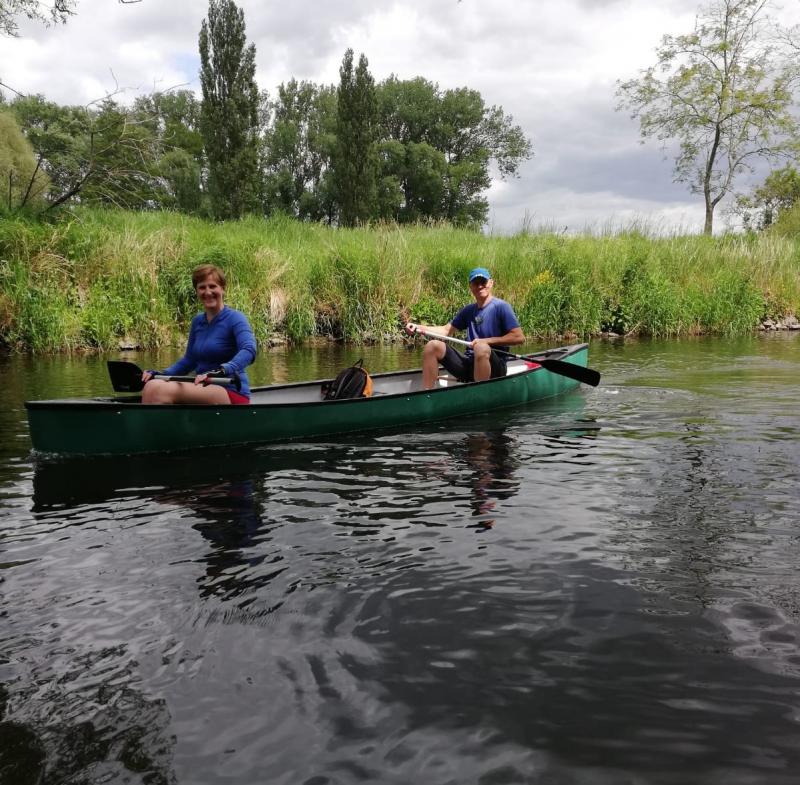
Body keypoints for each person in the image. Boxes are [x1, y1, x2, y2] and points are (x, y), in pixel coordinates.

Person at [142, 264, 257, 405]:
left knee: (158, 390)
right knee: (151, 385)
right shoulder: (197, 322)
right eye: (202, 287)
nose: (207, 292)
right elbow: (189, 361)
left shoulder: (236, 318)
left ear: (223, 288)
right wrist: (161, 374)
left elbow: (249, 349)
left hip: (231, 390)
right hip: (202, 387)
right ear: (196, 291)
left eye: (212, 286)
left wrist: (222, 370)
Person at [406, 266, 525, 390]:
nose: (480, 286)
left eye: (483, 282)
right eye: (476, 283)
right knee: (432, 346)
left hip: (495, 369)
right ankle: (428, 394)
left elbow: (519, 337)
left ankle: (480, 393)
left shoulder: (501, 307)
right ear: (470, 286)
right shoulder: (468, 310)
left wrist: (486, 341)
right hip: (469, 364)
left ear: (491, 283)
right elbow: (446, 330)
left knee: (481, 347)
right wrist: (417, 327)